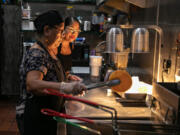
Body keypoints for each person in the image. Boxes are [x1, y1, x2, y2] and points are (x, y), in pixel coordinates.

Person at [16, 10, 86, 135]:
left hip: (47, 113)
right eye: (60, 31)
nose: (62, 35)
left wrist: (67, 78)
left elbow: (50, 75)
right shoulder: (37, 53)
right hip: (36, 117)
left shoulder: (49, 50)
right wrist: (65, 87)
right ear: (47, 30)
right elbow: (32, 84)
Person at [57, 17, 81, 81]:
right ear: (63, 28)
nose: (74, 33)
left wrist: (68, 76)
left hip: (63, 83)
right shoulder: (55, 44)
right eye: (71, 29)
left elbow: (65, 70)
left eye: (77, 30)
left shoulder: (71, 45)